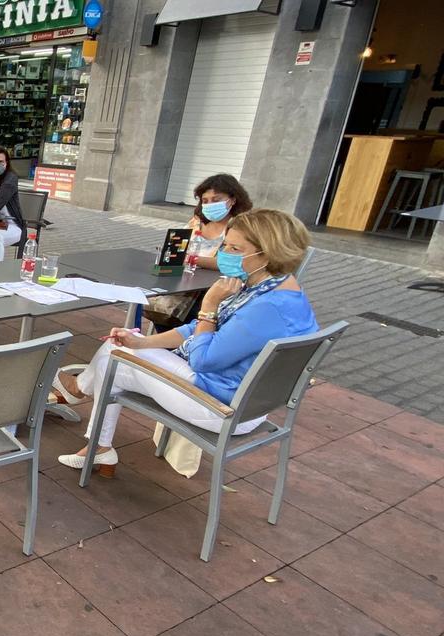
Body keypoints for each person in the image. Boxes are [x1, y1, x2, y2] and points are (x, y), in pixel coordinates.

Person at [52, 210, 318, 475]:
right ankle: (97, 440)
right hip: (243, 400)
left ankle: (80, 395)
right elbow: (197, 329)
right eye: (225, 244)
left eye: (235, 248)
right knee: (119, 358)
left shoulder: (266, 307)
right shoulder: (277, 289)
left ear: (269, 254)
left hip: (223, 409)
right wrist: (141, 343)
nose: (224, 253)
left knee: (115, 354)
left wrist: (209, 304)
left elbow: (203, 359)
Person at [146, 174, 254, 330]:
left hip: (216, 288)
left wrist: (191, 259)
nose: (210, 204)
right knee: (152, 300)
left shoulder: (240, 227)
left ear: (233, 200)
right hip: (182, 284)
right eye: (205, 201)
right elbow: (175, 249)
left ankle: (178, 346)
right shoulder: (197, 221)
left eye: (216, 200)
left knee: (188, 315)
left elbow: (234, 262)